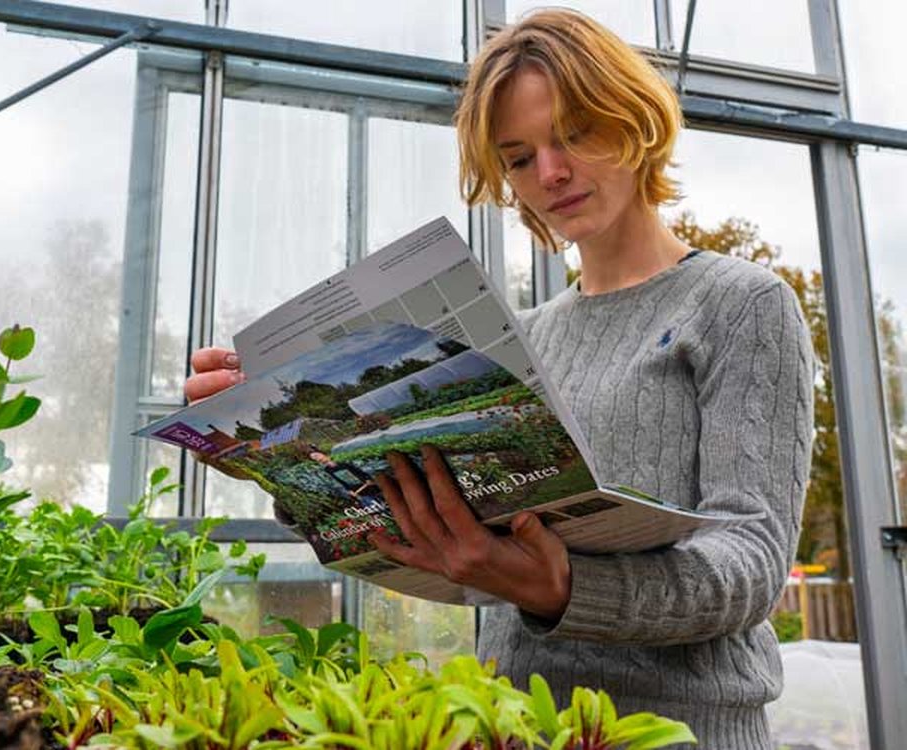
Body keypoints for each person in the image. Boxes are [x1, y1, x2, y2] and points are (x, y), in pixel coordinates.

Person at [184, 9, 812, 748]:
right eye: (518, 158)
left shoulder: (741, 305)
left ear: (635, 118)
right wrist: (283, 464)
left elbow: (751, 562)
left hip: (681, 732)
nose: (549, 173)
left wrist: (562, 589)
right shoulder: (526, 339)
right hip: (515, 721)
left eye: (574, 132)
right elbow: (448, 553)